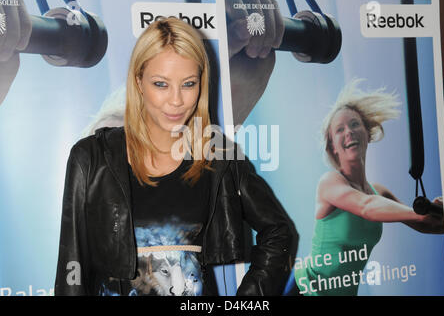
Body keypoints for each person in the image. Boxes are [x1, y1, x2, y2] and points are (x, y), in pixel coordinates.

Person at [55, 17, 298, 296]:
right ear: (139, 82)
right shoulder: (91, 157)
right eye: (161, 84)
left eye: (188, 83)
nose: (176, 100)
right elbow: (71, 267)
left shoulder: (217, 155)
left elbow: (279, 231)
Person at [295, 80, 444, 296]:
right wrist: (421, 211)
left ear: (368, 132)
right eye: (339, 129)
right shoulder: (330, 182)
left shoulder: (379, 192)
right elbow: (366, 206)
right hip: (304, 290)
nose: (349, 132)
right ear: (332, 147)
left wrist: (438, 214)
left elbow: (425, 224)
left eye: (355, 124)